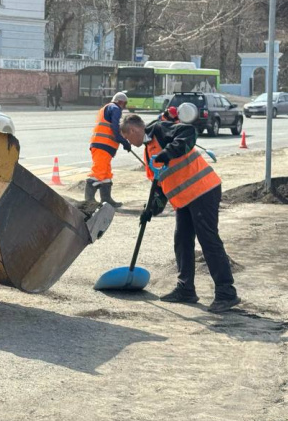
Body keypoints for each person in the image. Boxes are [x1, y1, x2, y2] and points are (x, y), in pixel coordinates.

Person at [119, 112, 240, 313]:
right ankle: (186, 289)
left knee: (208, 240)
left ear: (133, 130)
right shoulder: (149, 151)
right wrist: (150, 210)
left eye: (127, 137)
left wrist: (168, 152)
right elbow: (160, 185)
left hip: (202, 190)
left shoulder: (159, 130)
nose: (128, 142)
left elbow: (188, 132)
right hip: (185, 199)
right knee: (182, 241)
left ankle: (226, 292)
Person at [86, 92, 131, 207]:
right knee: (98, 173)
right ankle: (88, 201)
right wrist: (123, 141)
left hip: (102, 146)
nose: (124, 107)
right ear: (120, 102)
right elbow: (114, 127)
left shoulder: (105, 108)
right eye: (124, 104)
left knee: (105, 174)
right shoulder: (115, 108)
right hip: (103, 145)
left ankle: (106, 200)